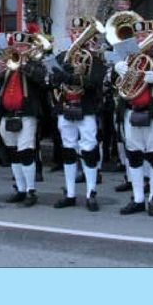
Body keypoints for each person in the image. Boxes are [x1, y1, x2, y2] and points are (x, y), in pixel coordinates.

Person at [114, 19, 153, 216]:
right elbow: (116, 86)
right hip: (132, 111)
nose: (141, 40)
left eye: (145, 36)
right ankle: (138, 198)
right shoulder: (129, 59)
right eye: (139, 36)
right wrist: (116, 72)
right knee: (133, 157)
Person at [51, 17, 106, 211]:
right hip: (66, 106)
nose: (77, 35)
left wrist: (71, 76)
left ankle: (91, 193)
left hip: (86, 107)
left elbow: (94, 82)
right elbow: (52, 80)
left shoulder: (95, 58)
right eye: (74, 32)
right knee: (68, 148)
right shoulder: (62, 56)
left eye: (81, 32)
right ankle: (70, 192)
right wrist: (57, 76)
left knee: (89, 148)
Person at [0, 33, 48, 205]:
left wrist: (24, 64)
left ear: (30, 48)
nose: (19, 49)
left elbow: (41, 80)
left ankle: (31, 190)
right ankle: (20, 188)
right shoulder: (11, 64)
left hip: (26, 114)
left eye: (23, 46)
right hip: (7, 114)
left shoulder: (35, 64)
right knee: (12, 152)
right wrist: (0, 71)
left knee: (26, 152)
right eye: (17, 46)